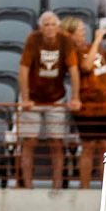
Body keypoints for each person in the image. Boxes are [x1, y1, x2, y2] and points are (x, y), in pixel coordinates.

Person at [18, 11, 81, 189]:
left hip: (56, 98)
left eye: (53, 24)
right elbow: (23, 69)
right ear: (40, 27)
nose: (50, 28)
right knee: (29, 141)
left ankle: (57, 185)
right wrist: (25, 98)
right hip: (34, 98)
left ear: (58, 27)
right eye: (46, 24)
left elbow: (74, 70)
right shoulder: (33, 39)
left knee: (56, 141)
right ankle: (28, 186)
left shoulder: (65, 40)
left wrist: (75, 97)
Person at [60, 18, 106, 189]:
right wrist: (96, 40)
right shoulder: (71, 51)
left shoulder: (92, 47)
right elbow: (86, 66)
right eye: (80, 30)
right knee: (88, 146)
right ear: (71, 33)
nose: (84, 32)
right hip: (88, 107)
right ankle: (84, 186)